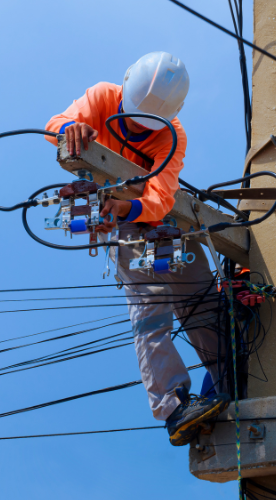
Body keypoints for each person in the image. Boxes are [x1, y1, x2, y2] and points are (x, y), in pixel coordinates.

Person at [45, 52, 229, 446]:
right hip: (128, 227)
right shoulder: (101, 96)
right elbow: (53, 127)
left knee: (206, 308)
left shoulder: (171, 134)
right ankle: (173, 407)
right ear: (124, 89)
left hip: (158, 221)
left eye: (146, 126)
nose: (137, 130)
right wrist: (71, 129)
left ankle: (233, 383)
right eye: (131, 120)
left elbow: (162, 196)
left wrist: (127, 205)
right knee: (151, 312)